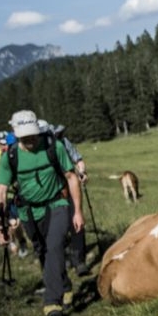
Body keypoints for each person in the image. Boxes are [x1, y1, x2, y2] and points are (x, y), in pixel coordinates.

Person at [0, 110, 84, 316]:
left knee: (55, 245)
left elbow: (71, 177)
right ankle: (65, 286)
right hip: (29, 212)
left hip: (57, 204)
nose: (30, 139)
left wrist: (77, 211)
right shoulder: (11, 157)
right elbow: (1, 190)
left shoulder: (54, 147)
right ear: (16, 134)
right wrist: (1, 226)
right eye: (25, 136)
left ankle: (52, 303)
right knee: (43, 252)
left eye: (32, 134)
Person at [38, 119, 90, 277]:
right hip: (49, 194)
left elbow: (78, 159)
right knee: (55, 227)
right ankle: (64, 256)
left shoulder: (62, 142)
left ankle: (79, 261)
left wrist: (81, 172)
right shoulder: (35, 151)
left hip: (69, 189)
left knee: (77, 223)